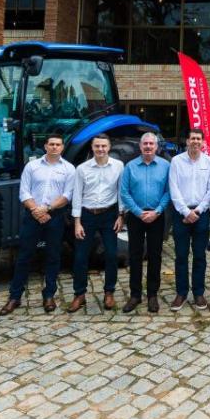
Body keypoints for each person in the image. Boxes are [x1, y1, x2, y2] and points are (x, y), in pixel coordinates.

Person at [1, 135, 75, 315]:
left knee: (53, 256)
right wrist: (36, 210)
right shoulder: (32, 166)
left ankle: (49, 295)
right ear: (45, 146)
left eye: (58, 144)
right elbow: (24, 191)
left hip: (55, 217)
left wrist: (47, 209)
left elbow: (67, 195)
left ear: (62, 147)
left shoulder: (69, 169)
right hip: (32, 216)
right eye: (51, 144)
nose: (54, 147)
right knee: (24, 256)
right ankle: (15, 297)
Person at [69, 133, 124, 313]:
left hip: (109, 215)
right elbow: (77, 195)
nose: (100, 149)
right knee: (80, 257)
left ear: (109, 147)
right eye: (97, 146)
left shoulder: (118, 166)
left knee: (111, 254)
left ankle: (109, 292)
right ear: (92, 148)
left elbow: (120, 192)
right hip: (87, 215)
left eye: (103, 146)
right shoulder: (82, 169)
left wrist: (121, 215)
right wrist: (77, 222)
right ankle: (79, 294)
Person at [119, 132, 171, 314]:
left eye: (151, 144)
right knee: (134, 255)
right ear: (140, 147)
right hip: (136, 216)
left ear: (156, 147)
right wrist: (139, 212)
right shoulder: (130, 167)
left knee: (155, 256)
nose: (148, 147)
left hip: (157, 216)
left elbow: (168, 191)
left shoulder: (165, 166)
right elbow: (124, 192)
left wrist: (157, 211)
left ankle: (152, 295)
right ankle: (135, 295)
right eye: (145, 144)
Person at [169, 129, 210, 310]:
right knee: (181, 255)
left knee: (199, 256)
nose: (195, 141)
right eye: (192, 138)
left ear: (203, 142)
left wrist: (197, 211)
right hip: (181, 214)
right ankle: (181, 293)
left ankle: (198, 293)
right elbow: (173, 189)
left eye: (198, 139)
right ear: (187, 141)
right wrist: (185, 211)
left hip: (201, 214)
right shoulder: (176, 161)